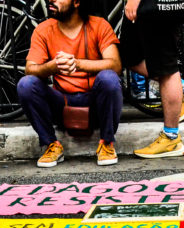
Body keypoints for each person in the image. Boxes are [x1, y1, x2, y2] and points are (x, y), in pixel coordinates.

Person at [18, 0, 121, 167]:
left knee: (109, 78)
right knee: (26, 84)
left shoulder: (99, 25)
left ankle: (107, 142)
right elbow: (30, 69)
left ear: (77, 2)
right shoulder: (43, 29)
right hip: (62, 104)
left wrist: (77, 64)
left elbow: (115, 65)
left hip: (95, 105)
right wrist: (52, 66)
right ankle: (51, 144)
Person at [121, 0, 184, 158]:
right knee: (127, 54)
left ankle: (171, 138)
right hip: (147, 7)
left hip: (157, 6)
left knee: (165, 65)